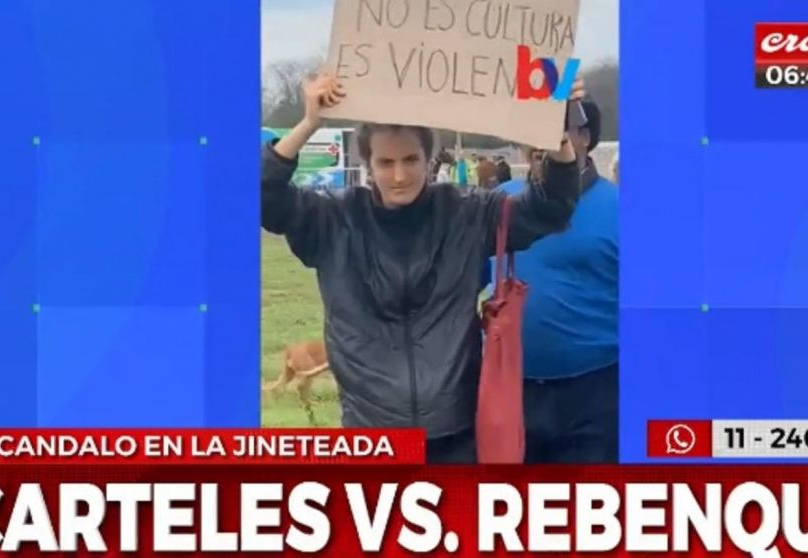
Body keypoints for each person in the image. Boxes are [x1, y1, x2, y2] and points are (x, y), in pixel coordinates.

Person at [261, 73, 585, 464]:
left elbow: (551, 207)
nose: (399, 176)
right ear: (367, 163)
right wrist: (310, 122)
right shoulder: (333, 220)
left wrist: (559, 135)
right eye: (386, 162)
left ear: (429, 159)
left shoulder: (468, 215)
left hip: (456, 431)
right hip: (371, 434)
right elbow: (264, 196)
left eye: (411, 160)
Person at [489, 99, 619, 464]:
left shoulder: (623, 209)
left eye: (554, 131)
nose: (539, 143)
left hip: (596, 395)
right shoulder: (499, 203)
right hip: (512, 391)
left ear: (584, 137)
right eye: (531, 131)